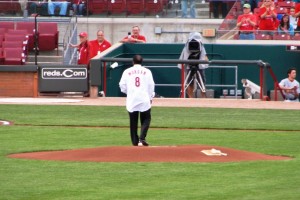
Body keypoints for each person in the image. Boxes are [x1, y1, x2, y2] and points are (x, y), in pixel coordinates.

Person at [119, 55, 155, 146]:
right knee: (146, 118)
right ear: (142, 61)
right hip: (144, 98)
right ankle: (142, 138)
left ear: (133, 62)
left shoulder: (127, 71)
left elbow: (122, 86)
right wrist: (151, 97)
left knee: (133, 121)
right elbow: (151, 85)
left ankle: (135, 141)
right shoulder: (147, 71)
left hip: (132, 99)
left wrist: (129, 92)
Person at [179, 32, 208, 98]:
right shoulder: (187, 46)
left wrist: (205, 61)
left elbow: (204, 56)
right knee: (189, 82)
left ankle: (203, 98)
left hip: (199, 66)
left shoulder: (201, 46)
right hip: (189, 65)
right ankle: (190, 98)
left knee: (202, 82)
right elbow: (185, 56)